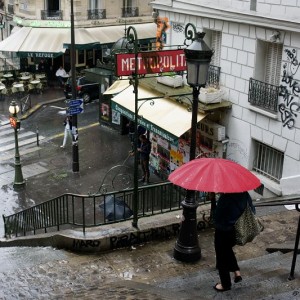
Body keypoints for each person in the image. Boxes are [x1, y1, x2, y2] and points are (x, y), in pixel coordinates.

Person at [213, 191, 255, 292]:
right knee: (227, 250)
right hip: (237, 230)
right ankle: (237, 272)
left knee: (221, 255)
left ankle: (225, 284)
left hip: (224, 230)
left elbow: (218, 217)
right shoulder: (244, 193)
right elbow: (252, 209)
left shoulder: (226, 198)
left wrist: (215, 203)